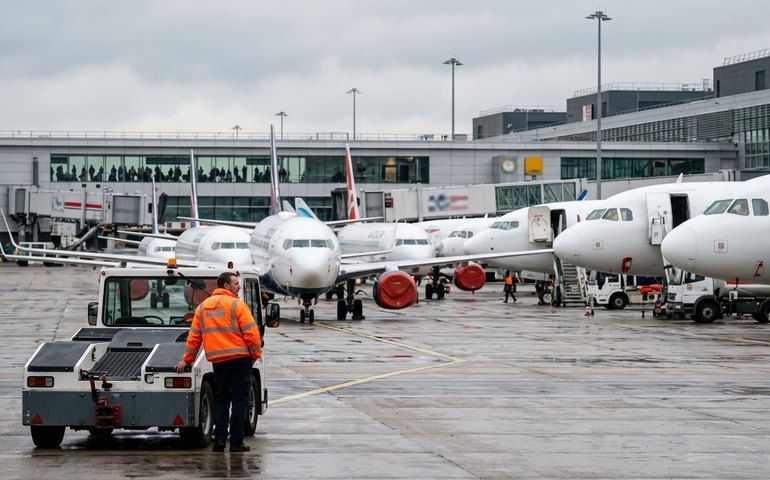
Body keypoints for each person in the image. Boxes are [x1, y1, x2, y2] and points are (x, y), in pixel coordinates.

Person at [175, 272, 262, 453]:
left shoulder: (202, 308)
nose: (239, 287)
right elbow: (252, 334)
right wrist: (254, 355)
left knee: (221, 400)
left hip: (219, 362)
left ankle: (220, 440)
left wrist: (187, 360)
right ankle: (236, 442)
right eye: (236, 284)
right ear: (226, 286)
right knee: (239, 400)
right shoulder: (237, 305)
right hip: (240, 360)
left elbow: (194, 338)